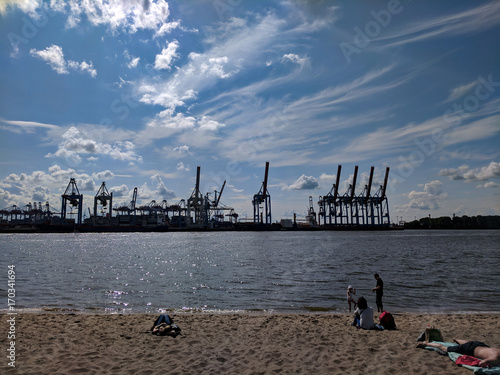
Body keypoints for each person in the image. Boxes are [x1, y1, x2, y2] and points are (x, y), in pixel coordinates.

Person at [417, 338, 500, 367]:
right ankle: (426, 344)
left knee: (468, 343)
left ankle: (456, 339)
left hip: (479, 344)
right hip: (470, 349)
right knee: (444, 348)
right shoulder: (494, 358)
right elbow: (481, 363)